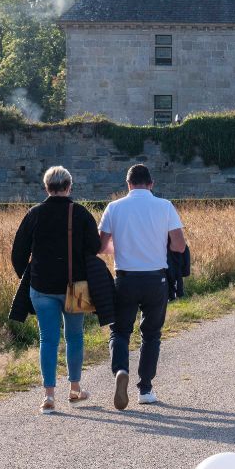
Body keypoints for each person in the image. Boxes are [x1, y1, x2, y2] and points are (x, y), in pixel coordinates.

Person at [8, 166, 111, 415]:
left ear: (46, 187)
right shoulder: (81, 213)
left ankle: (48, 396)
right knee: (74, 337)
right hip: (75, 286)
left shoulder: (34, 214)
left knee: (48, 339)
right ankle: (75, 389)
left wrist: (29, 275)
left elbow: (18, 252)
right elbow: (95, 247)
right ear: (69, 187)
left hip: (41, 286)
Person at [98, 164, 187, 410]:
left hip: (125, 278)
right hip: (155, 279)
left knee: (120, 332)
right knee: (151, 334)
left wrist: (125, 247)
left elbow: (101, 246)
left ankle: (121, 370)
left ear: (127, 184)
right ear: (151, 183)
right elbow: (179, 245)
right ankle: (145, 388)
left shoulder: (113, 208)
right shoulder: (165, 206)